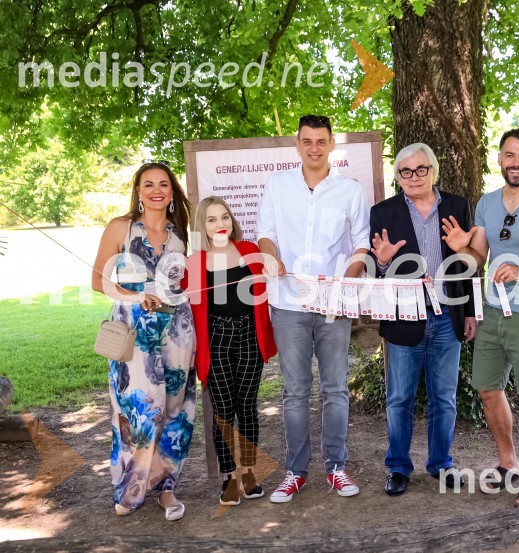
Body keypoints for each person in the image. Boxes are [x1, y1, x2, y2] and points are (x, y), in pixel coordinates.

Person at [442, 129, 519, 506]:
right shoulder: (487, 203)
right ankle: (507, 463)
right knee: (487, 388)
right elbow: (479, 256)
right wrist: (460, 255)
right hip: (493, 311)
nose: (516, 163)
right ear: (499, 158)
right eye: (510, 155)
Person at [256, 114, 370, 502]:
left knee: (335, 387)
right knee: (295, 390)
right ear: (298, 144)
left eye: (321, 141)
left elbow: (360, 243)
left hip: (333, 304)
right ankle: (295, 471)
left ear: (331, 144)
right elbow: (265, 235)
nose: (314, 147)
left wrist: (348, 278)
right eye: (307, 141)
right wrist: (269, 257)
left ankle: (336, 467)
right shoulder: (277, 185)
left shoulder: (350, 191)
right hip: (287, 301)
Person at [368, 143, 477, 496]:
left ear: (433, 170)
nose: (413, 178)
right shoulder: (382, 212)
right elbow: (378, 269)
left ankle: (441, 464)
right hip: (404, 317)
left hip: (448, 315)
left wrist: (471, 311)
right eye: (405, 171)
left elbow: (469, 265)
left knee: (444, 397)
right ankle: (398, 467)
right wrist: (383, 264)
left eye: (420, 169)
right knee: (399, 397)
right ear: (397, 176)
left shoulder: (458, 206)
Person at [91, 162, 196, 520]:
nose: (156, 190)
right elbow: (98, 280)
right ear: (138, 190)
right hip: (134, 334)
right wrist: (137, 297)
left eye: (163, 184)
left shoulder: (179, 232)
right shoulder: (120, 227)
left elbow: (184, 283)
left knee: (174, 410)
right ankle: (131, 488)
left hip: (178, 331)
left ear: (171, 191)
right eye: (148, 184)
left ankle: (167, 489)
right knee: (138, 410)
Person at [185, 196, 278, 505]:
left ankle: (249, 471)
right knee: (224, 410)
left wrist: (275, 266)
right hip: (216, 339)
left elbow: (275, 271)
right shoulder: (194, 262)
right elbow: (180, 301)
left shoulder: (250, 252)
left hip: (250, 335)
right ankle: (229, 476)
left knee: (248, 406)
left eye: (224, 217)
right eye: (211, 219)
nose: (220, 224)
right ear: (202, 225)